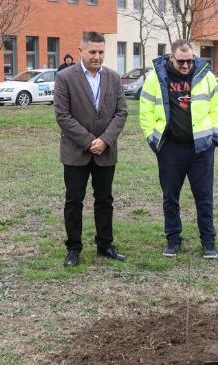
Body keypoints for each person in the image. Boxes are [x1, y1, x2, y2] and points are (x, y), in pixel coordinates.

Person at [139, 40, 218, 259]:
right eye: (181, 62)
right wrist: (153, 139)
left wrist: (214, 138)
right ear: (171, 57)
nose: (186, 66)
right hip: (170, 148)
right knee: (170, 197)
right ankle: (173, 240)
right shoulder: (155, 78)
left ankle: (208, 243)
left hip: (201, 149)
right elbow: (146, 109)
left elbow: (217, 108)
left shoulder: (206, 75)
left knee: (204, 197)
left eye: (189, 61)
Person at [54, 31, 128, 267]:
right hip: (76, 152)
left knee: (104, 200)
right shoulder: (65, 77)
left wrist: (105, 140)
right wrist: (88, 141)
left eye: (101, 52)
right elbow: (63, 115)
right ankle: (73, 249)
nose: (97, 57)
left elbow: (121, 112)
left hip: (106, 152)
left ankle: (105, 245)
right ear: (81, 51)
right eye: (92, 52)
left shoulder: (114, 78)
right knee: (74, 201)